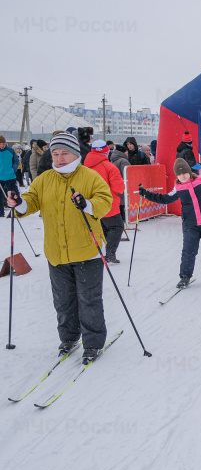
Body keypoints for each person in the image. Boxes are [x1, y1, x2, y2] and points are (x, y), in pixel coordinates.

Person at [6, 132, 113, 362]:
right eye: (55, 154)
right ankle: (69, 338)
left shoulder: (91, 177)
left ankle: (93, 343)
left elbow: (105, 202)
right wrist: (19, 202)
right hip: (56, 252)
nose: (60, 158)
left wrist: (87, 204)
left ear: (75, 153)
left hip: (87, 251)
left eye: (64, 153)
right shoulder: (44, 180)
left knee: (89, 300)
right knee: (63, 300)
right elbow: (31, 201)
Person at [139, 159, 201, 288]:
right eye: (179, 174)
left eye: (184, 172)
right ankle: (185, 276)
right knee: (188, 251)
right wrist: (145, 193)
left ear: (189, 172)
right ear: (176, 176)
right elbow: (164, 199)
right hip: (190, 224)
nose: (182, 175)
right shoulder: (177, 188)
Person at [85, 140, 126, 263]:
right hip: (108, 203)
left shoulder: (85, 167)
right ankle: (110, 254)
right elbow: (118, 187)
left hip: (91, 203)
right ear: (106, 152)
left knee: (104, 227)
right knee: (117, 227)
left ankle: (104, 252)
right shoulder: (109, 167)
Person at [0, 135, 21, 216]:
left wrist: (13, 170)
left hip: (10, 177)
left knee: (14, 194)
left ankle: (16, 211)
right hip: (0, 177)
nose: (2, 145)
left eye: (4, 144)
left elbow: (16, 161)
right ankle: (1, 213)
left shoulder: (10, 150)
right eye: (1, 144)